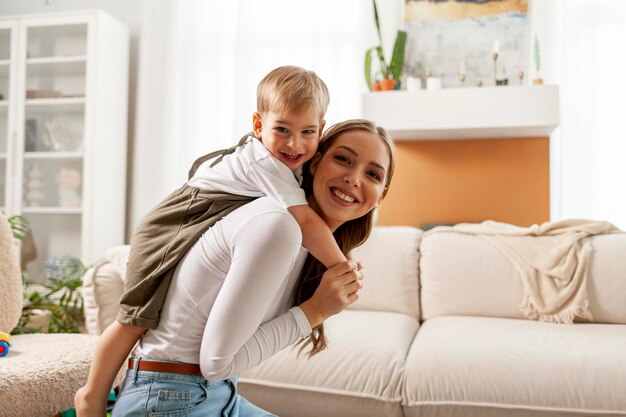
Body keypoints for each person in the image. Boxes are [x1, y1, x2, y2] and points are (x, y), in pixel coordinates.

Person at [75, 66, 350, 416]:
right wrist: (342, 267)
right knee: (136, 315)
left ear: (321, 130)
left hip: (216, 388)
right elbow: (306, 222)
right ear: (258, 125)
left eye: (307, 132)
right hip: (175, 221)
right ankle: (91, 394)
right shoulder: (266, 163)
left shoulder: (292, 167)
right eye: (282, 129)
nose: (295, 144)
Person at [109, 119, 396, 416]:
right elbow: (216, 363)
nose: (353, 178)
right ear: (315, 162)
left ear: (381, 194)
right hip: (167, 400)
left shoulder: (307, 245)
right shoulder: (279, 225)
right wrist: (316, 310)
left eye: (372, 174)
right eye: (343, 159)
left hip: (212, 393)